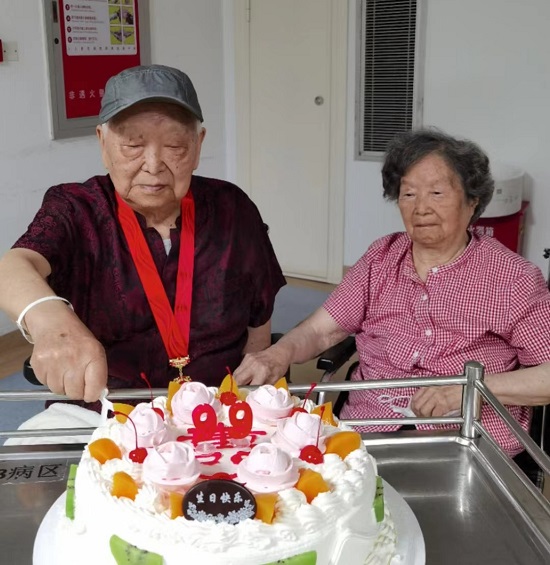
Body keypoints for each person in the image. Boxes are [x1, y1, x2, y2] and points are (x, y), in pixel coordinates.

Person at [234, 128, 550, 457]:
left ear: (473, 201)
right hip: (368, 426)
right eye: (408, 193)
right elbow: (321, 330)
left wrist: (467, 390)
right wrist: (279, 353)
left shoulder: (512, 277)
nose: (421, 208)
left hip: (463, 437)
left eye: (437, 193)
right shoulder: (381, 258)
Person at [0, 64, 285, 407]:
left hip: (215, 407)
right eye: (133, 145)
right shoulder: (76, 209)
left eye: (175, 146)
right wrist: (52, 323)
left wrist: (249, 396)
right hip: (105, 409)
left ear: (197, 146)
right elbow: (14, 265)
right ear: (103, 143)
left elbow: (259, 315)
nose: (152, 164)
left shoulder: (233, 207)